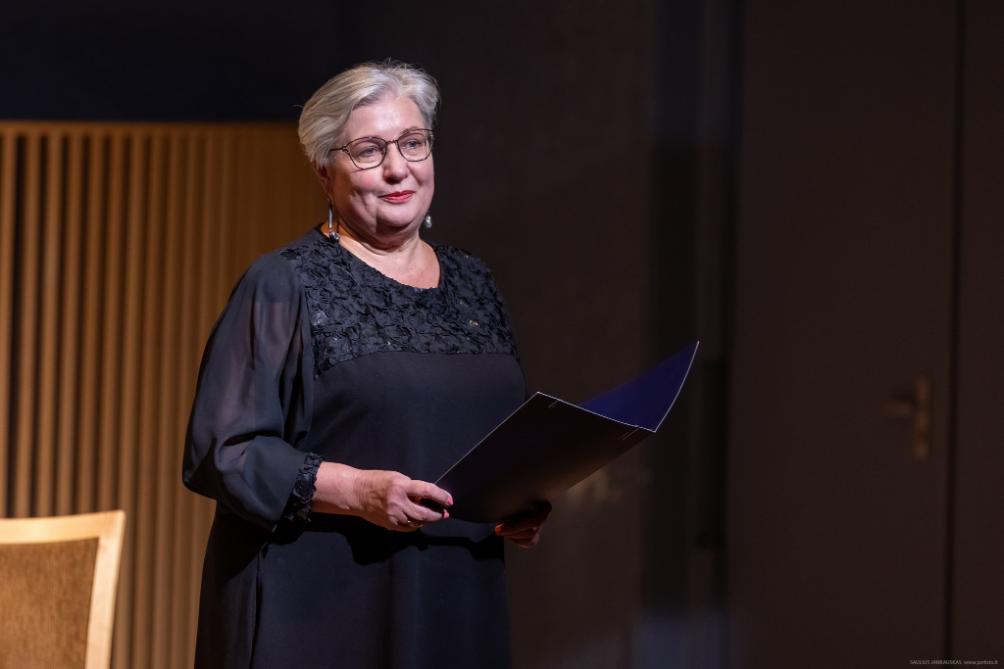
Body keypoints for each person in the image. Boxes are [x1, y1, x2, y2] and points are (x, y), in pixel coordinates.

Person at [182, 60, 550, 669]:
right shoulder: (283, 283)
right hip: (323, 607)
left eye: (413, 143)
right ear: (323, 170)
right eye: (369, 150)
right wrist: (359, 492)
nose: (398, 168)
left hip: (456, 591)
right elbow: (222, 453)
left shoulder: (475, 282)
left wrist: (520, 499)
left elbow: (488, 428)